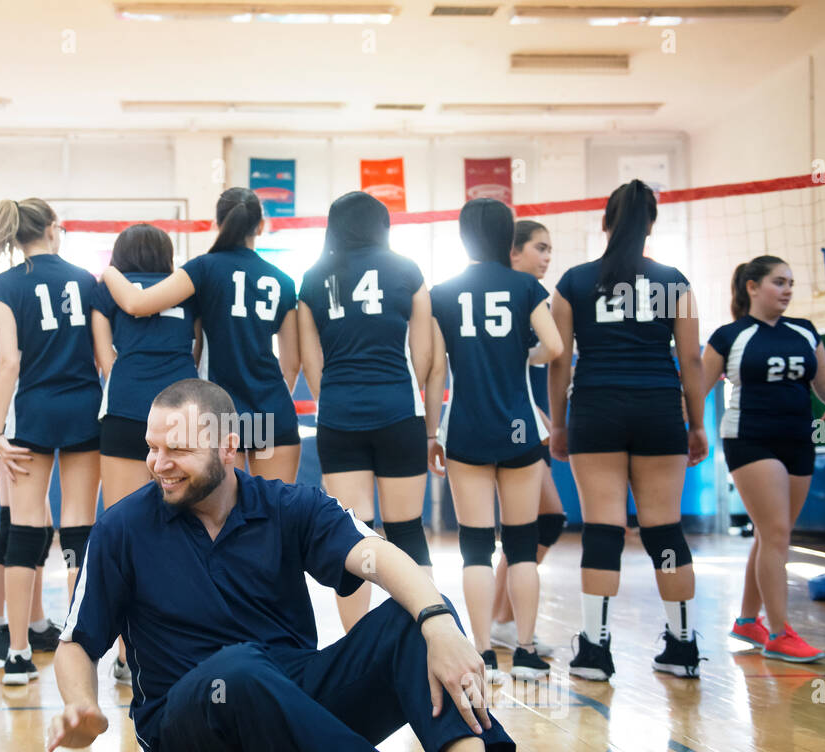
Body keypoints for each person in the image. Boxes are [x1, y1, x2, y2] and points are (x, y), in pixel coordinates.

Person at [47, 378, 572, 752]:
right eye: (151, 447)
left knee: (417, 613)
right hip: (193, 745)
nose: (157, 463)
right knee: (239, 672)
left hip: (296, 726)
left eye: (176, 450)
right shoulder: (122, 528)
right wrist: (80, 705)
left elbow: (376, 554)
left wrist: (439, 623)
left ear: (228, 448)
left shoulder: (287, 505)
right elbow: (76, 642)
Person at [548, 180, 708, 681]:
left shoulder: (573, 281)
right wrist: (697, 423)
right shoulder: (675, 282)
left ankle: (595, 651)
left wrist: (557, 424)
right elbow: (690, 360)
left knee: (602, 529)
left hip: (596, 409)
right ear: (651, 224)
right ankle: (682, 648)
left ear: (606, 221)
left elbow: (560, 363)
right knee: (664, 529)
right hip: (660, 408)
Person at [0, 198, 101, 686]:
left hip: (35, 413)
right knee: (78, 536)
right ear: (51, 230)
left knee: (25, 532)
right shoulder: (87, 279)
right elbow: (102, 352)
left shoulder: (4, 284)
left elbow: (9, 361)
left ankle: (19, 654)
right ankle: (78, 646)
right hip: (85, 408)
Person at [429, 200, 562, 683]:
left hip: (464, 428)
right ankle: (525, 651)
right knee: (523, 545)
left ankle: (482, 654)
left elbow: (435, 367)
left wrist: (431, 431)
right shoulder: (527, 286)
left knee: (475, 547)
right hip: (521, 428)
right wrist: (521, 354)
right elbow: (555, 348)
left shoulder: (441, 292)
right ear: (508, 237)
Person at [703, 256, 825, 662]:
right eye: (778, 282)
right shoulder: (729, 335)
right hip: (749, 440)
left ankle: (748, 621)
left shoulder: (804, 332)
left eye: (791, 283)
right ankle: (780, 633)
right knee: (777, 532)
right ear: (752, 286)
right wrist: (688, 434)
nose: (787, 289)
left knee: (772, 533)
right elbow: (695, 390)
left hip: (799, 440)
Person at [297, 191, 433, 633]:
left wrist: (336, 397)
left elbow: (310, 360)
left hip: (339, 414)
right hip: (398, 411)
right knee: (408, 529)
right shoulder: (408, 270)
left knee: (354, 535)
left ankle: (357, 646)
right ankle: (423, 637)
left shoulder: (313, 277)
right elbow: (425, 355)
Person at [98, 188, 301, 483]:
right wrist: (268, 400)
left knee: (231, 513)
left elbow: (138, 304)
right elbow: (292, 364)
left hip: (220, 413)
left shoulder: (203, 268)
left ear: (218, 223)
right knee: (277, 511)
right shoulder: (283, 280)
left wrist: (110, 272)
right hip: (270, 409)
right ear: (259, 226)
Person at [90, 223, 201, 684]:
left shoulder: (107, 292)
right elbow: (196, 347)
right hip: (182, 413)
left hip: (127, 411)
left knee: (122, 533)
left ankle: (124, 656)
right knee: (186, 532)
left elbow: (105, 359)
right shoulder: (187, 292)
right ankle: (183, 647)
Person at [489, 220, 563, 659]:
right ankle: (501, 624)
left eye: (550, 249)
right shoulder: (520, 294)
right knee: (537, 523)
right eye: (540, 248)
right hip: (512, 426)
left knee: (541, 522)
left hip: (527, 420)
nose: (547, 256)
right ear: (513, 252)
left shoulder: (531, 296)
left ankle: (502, 620)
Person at [0, 425, 62, 661]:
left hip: (26, 434)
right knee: (15, 526)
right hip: (6, 436)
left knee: (42, 531)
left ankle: (36, 624)